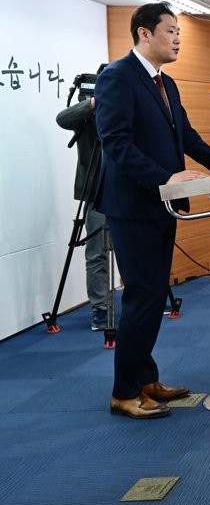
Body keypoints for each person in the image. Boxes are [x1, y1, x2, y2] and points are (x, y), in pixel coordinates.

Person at [95, 3, 210, 419]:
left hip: (160, 206)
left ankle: (145, 378)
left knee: (156, 295)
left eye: (179, 32)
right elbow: (116, 143)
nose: (177, 38)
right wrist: (164, 179)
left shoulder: (166, 84)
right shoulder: (117, 77)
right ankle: (123, 391)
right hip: (133, 206)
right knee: (143, 296)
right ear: (144, 34)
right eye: (171, 31)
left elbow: (187, 137)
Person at [56, 95, 113, 330]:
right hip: (94, 193)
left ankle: (138, 301)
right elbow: (62, 118)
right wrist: (92, 103)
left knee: (134, 250)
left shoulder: (123, 109)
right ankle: (100, 309)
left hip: (126, 191)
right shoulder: (85, 117)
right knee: (96, 252)